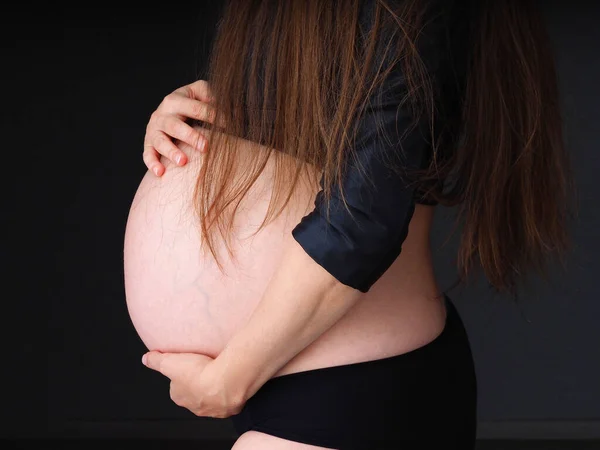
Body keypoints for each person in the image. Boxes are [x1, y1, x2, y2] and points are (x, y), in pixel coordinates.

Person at [139, 0, 572, 448]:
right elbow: (318, 135)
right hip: (291, 369)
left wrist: (229, 378)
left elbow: (364, 214)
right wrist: (190, 119)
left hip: (350, 386)